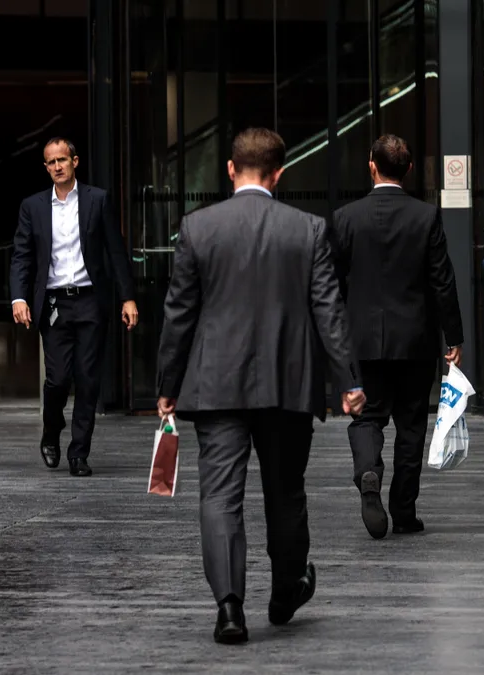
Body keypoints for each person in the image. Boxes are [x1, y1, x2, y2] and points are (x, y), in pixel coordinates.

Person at [155, 127, 365, 645]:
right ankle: (287, 587)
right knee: (286, 493)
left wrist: (167, 384)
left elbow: (179, 314)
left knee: (220, 496)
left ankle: (229, 606)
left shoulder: (198, 227)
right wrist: (348, 380)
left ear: (230, 169)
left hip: (215, 383)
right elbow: (328, 311)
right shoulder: (308, 229)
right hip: (288, 383)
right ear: (280, 172)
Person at [328, 134, 464, 540]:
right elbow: (443, 280)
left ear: (371, 166)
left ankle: (368, 468)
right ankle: (403, 511)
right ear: (407, 170)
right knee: (410, 426)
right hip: (415, 341)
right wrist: (453, 335)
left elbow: (332, 284)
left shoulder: (346, 217)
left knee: (368, 415)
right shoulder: (425, 216)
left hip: (364, 341)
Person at [10, 137, 138, 477]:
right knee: (58, 379)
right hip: (53, 304)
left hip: (90, 301)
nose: (57, 167)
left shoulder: (98, 200)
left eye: (62, 160)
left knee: (88, 379)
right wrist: (19, 297)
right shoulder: (33, 206)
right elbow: (22, 256)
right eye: (51, 162)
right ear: (46, 166)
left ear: (75, 161)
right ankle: (51, 430)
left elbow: (115, 251)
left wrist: (127, 297)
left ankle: (79, 453)